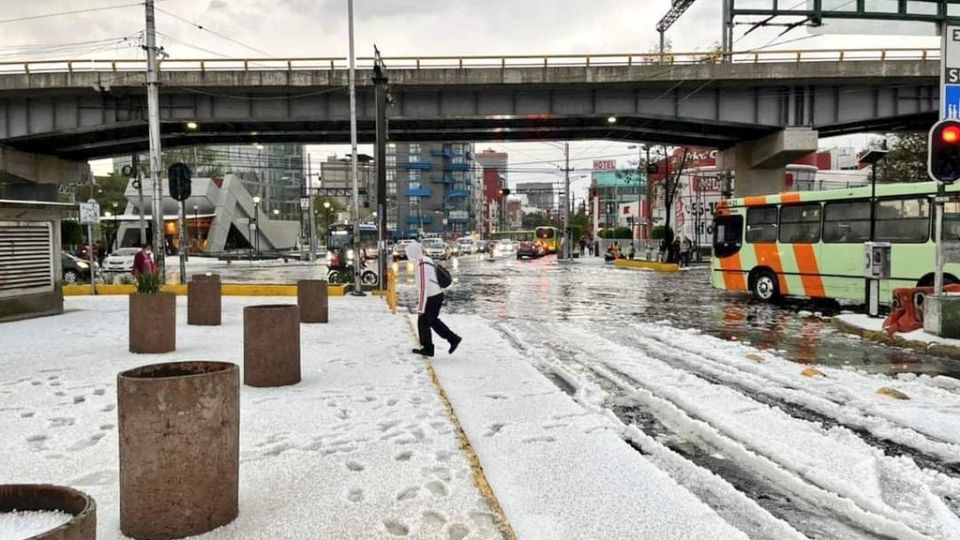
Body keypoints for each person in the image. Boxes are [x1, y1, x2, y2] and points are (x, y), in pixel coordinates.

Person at [406, 241, 461, 358]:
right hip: (437, 295)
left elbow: (423, 287)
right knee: (432, 321)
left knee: (423, 322)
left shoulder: (421, 264)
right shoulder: (426, 259)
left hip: (431, 297)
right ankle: (453, 339)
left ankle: (428, 348)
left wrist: (420, 308)